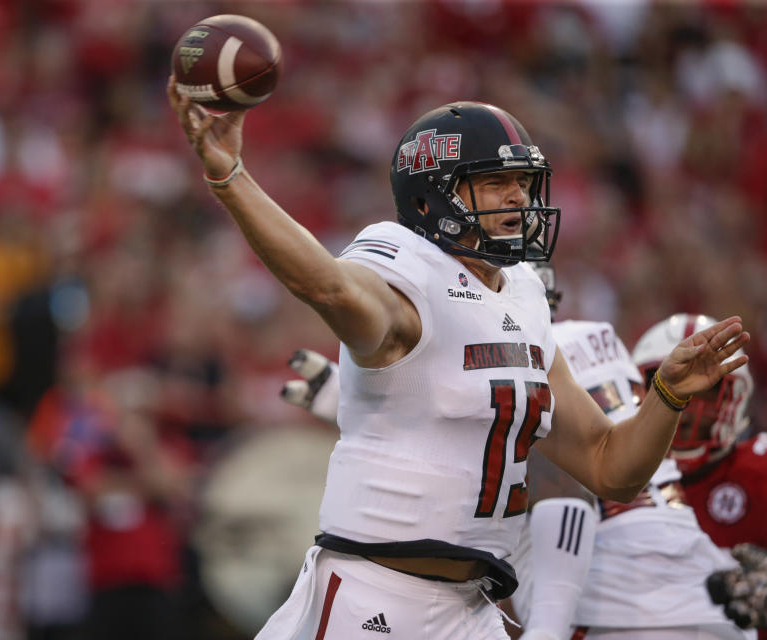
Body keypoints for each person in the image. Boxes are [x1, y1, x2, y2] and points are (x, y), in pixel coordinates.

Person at [168, 79, 750, 639]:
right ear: (432, 194)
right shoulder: (406, 269)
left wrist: (667, 396)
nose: (518, 196)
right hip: (375, 594)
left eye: (522, 180)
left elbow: (610, 468)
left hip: (471, 607)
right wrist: (231, 176)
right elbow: (330, 288)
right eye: (495, 181)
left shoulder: (523, 293)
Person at [284, 263, 755, 640]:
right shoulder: (596, 341)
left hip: (612, 603)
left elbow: (520, 461)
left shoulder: (515, 356)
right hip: (703, 594)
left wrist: (355, 404)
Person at [632, 314, 767, 636]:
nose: (688, 401)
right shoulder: (606, 477)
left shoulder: (758, 470)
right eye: (666, 381)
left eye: (709, 385)